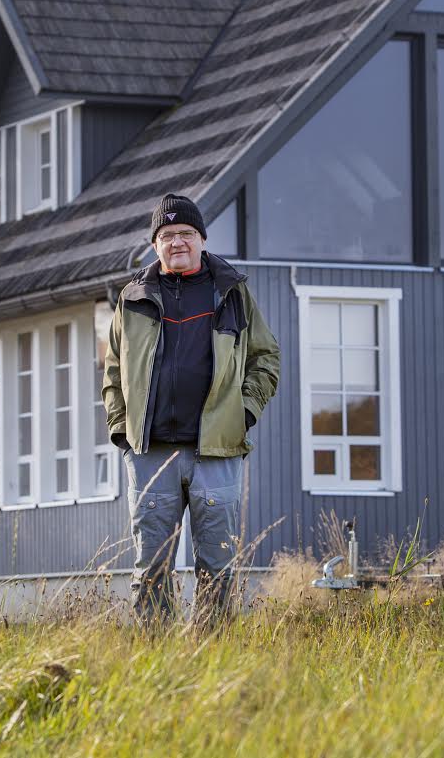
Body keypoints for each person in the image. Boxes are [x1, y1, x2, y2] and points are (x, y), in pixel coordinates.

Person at [102, 194, 280, 624]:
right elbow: (112, 367)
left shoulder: (232, 293)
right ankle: (156, 654)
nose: (176, 242)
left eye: (185, 233)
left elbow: (266, 359)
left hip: (216, 450)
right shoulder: (133, 298)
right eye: (166, 235)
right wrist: (122, 427)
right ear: (155, 245)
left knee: (217, 562)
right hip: (150, 453)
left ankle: (212, 650)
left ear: (201, 238)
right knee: (152, 566)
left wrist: (244, 412)